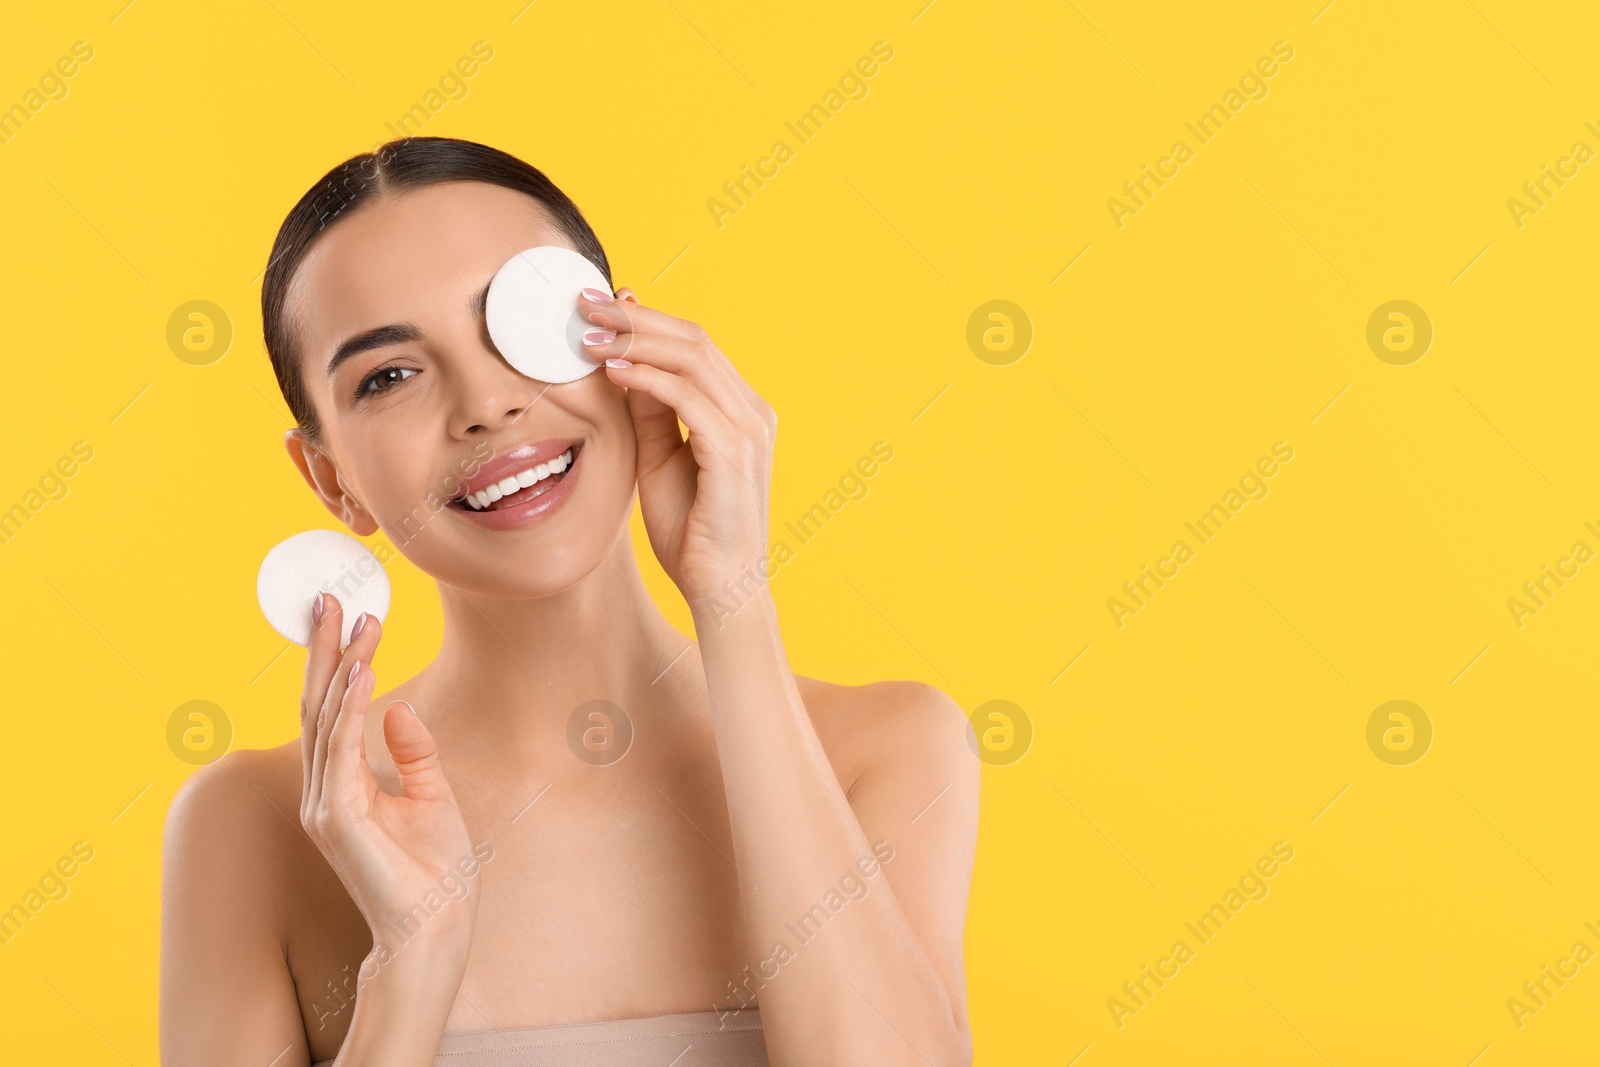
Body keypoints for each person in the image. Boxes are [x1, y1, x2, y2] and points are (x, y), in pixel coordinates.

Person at [159, 136, 978, 1066]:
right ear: (330, 478)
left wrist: (733, 598)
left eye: (519, 320)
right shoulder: (255, 825)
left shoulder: (888, 749)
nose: (486, 404)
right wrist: (412, 965)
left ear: (630, 345)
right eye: (388, 376)